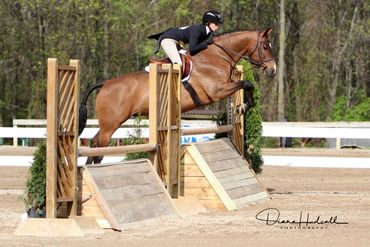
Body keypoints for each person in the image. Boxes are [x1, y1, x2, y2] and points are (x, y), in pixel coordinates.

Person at [148, 10, 223, 66]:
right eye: (216, 24)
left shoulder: (207, 32)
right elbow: (192, 49)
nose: (217, 26)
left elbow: (198, 49)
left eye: (218, 24)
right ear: (208, 22)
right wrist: (206, 43)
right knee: (179, 64)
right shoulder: (197, 30)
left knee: (188, 59)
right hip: (168, 40)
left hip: (177, 43)